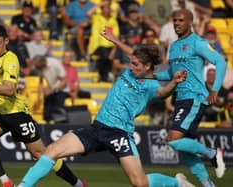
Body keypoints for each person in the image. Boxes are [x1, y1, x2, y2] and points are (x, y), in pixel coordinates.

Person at [17, 29, 194, 187]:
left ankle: (177, 183)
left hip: (120, 134)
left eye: (135, 64)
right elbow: (133, 54)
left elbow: (163, 92)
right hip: (98, 127)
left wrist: (174, 83)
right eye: (130, 62)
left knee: (140, 183)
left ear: (147, 66)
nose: (130, 67)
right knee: (52, 151)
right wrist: (115, 40)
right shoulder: (131, 70)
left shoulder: (151, 85)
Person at [0, 24, 87, 187]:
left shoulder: (11, 59)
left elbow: (9, 89)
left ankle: (77, 184)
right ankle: (6, 182)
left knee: (40, 154)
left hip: (16, 112)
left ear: (6, 41)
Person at [155, 9, 227, 187]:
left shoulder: (197, 42)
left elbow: (221, 62)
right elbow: (170, 74)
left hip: (194, 98)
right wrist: (149, 73)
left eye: (180, 20)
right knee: (183, 148)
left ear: (190, 23)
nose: (177, 23)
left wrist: (215, 90)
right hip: (181, 99)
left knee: (174, 140)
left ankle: (212, 153)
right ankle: (207, 184)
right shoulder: (174, 46)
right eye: (175, 20)